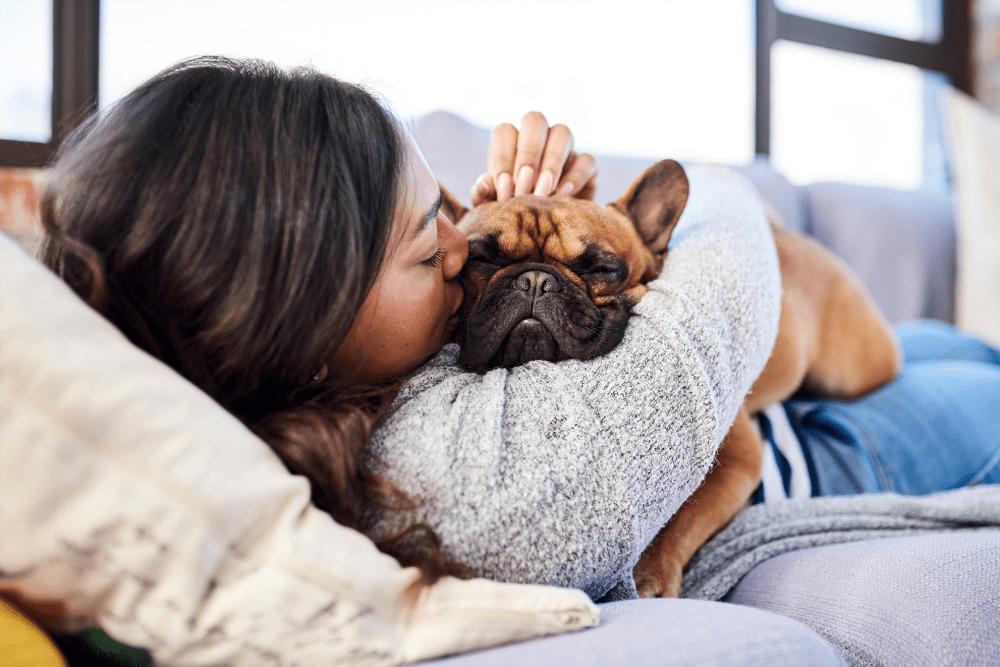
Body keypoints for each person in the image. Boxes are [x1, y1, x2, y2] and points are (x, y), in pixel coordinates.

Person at [37, 56, 998, 663]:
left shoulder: (309, 403)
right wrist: (622, 228)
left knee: (938, 346)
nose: (462, 252)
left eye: (458, 220)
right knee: (978, 373)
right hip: (815, 446)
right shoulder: (494, 478)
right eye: (438, 244)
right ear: (308, 310)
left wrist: (537, 227)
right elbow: (729, 221)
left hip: (795, 383)